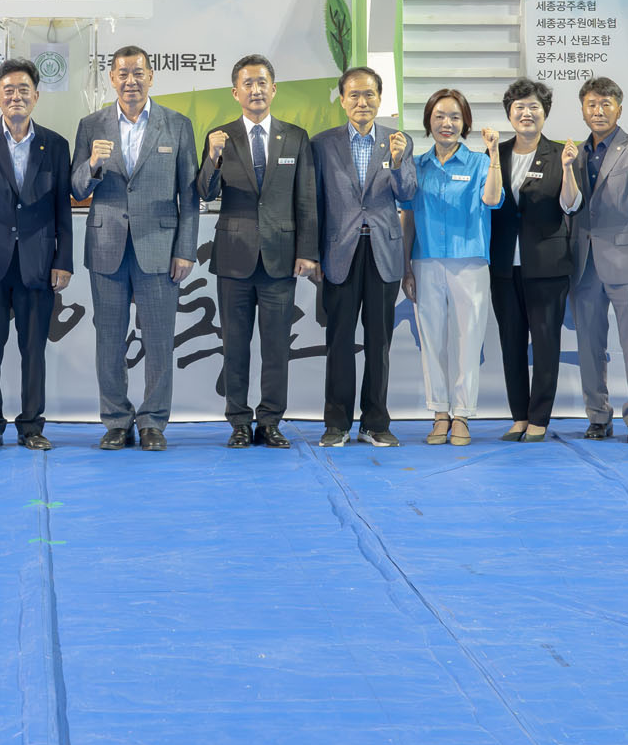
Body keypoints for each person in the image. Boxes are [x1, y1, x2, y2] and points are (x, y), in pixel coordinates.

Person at [71, 45, 199, 452]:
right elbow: (77, 188)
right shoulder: (91, 125)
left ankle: (153, 421)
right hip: (107, 246)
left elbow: (190, 195)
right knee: (109, 340)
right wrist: (92, 164)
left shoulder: (177, 125)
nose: (131, 81)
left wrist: (186, 249)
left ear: (151, 76)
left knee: (159, 340)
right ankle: (115, 420)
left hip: (159, 248)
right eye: (123, 73)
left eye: (138, 73)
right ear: (111, 78)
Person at [195, 54, 318, 449]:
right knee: (235, 345)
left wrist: (307, 251)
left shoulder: (295, 137)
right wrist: (212, 158)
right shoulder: (220, 136)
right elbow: (205, 192)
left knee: (277, 346)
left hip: (281, 257)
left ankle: (270, 421)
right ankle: (238, 422)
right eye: (247, 83)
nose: (256, 90)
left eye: (262, 82)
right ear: (235, 93)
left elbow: (306, 200)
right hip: (234, 257)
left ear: (274, 89)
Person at [0, 58, 72, 452]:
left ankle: (31, 426)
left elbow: (62, 207)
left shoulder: (55, 144)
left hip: (37, 262)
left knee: (33, 350)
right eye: (8, 91)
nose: (16, 96)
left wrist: (63, 260)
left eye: (23, 90)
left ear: (36, 96)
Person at [308, 67, 416, 447]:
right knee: (339, 341)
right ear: (342, 100)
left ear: (380, 99)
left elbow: (408, 194)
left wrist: (399, 163)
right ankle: (336, 424)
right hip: (339, 253)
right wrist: (312, 254)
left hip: (383, 253)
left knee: (379, 343)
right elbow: (313, 203)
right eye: (354, 95)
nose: (362, 102)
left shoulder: (398, 141)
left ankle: (375, 423)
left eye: (369, 94)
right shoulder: (322, 144)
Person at [563, 76, 628, 441]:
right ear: (582, 110)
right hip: (584, 263)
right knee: (589, 346)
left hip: (627, 259)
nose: (598, 111)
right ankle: (597, 415)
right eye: (591, 104)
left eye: (606, 104)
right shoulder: (573, 153)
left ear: (619, 109)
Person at [402, 88, 502, 446]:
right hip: (425, 260)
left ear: (465, 123)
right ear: (428, 121)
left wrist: (494, 155)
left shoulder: (479, 163)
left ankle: (462, 414)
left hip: (469, 262)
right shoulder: (416, 166)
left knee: (467, 340)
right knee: (432, 341)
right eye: (440, 116)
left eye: (455, 117)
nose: (447, 123)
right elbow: (407, 218)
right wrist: (406, 267)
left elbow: (492, 199)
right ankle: (439, 413)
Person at [488, 78, 576, 443]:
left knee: (545, 343)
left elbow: (572, 204)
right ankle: (519, 416)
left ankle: (539, 417)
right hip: (504, 266)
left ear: (545, 113)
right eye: (519, 107)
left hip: (547, 265)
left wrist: (568, 169)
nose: (526, 113)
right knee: (510, 343)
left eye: (534, 107)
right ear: (509, 114)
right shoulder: (495, 153)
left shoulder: (561, 153)